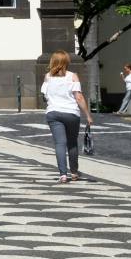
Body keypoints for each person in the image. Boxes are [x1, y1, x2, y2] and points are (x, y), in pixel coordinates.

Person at [42, 50, 91, 183]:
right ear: (66, 62)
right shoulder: (73, 76)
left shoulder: (47, 77)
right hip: (71, 113)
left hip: (53, 113)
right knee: (72, 143)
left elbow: (44, 96)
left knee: (59, 143)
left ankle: (63, 174)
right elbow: (79, 97)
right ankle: (74, 172)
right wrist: (87, 115)